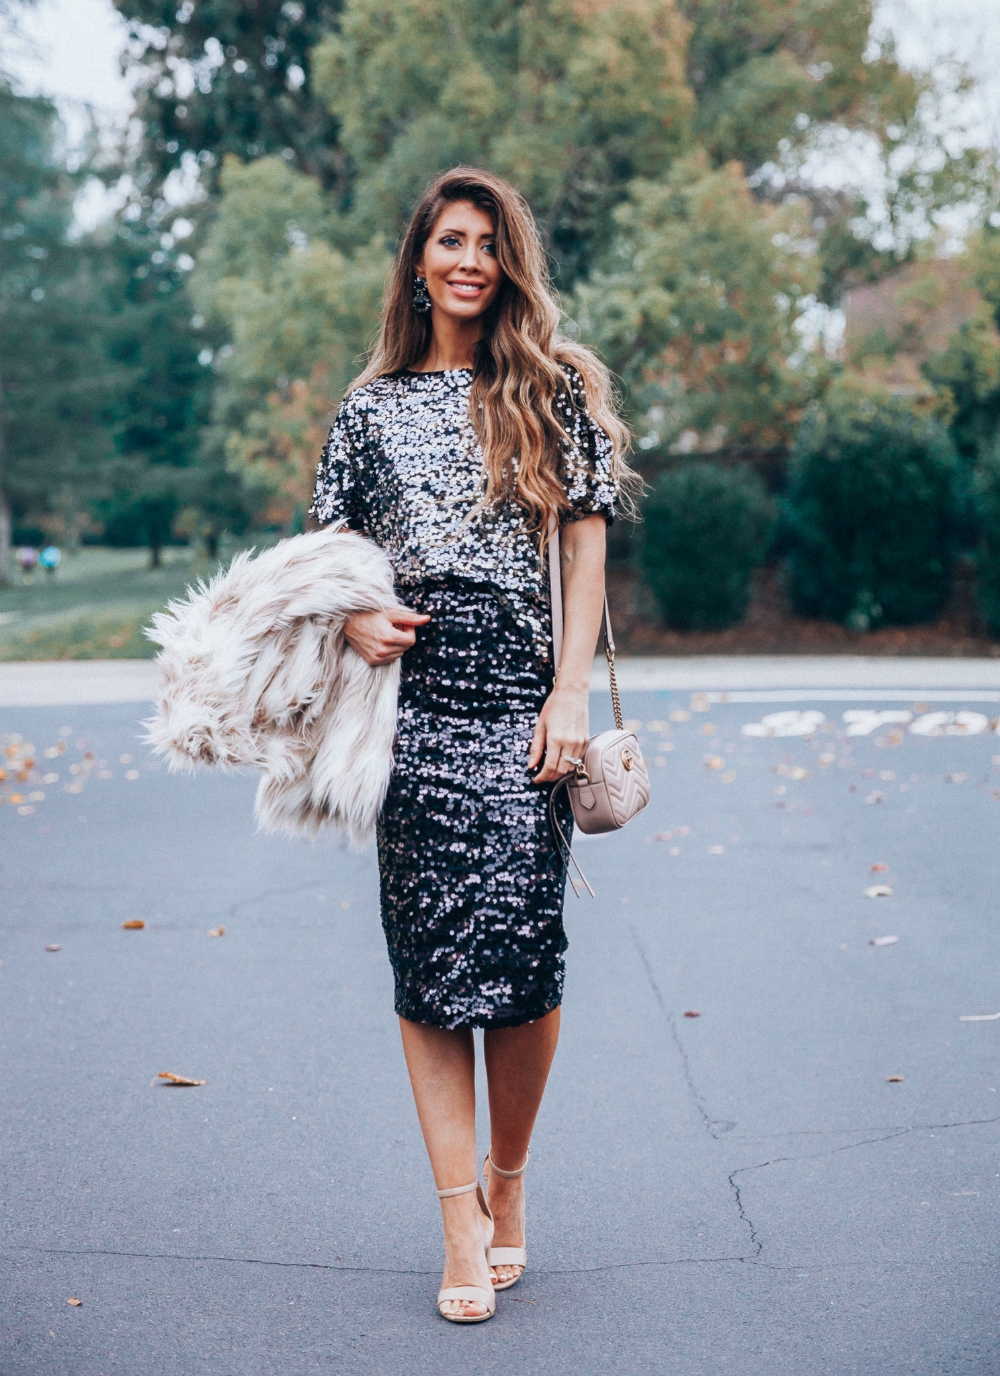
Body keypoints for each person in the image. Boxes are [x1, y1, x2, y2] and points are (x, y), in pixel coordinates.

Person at [310, 167, 634, 1323]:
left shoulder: (549, 388)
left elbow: (585, 545)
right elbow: (329, 559)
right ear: (419, 260)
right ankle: (458, 1217)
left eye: (488, 244)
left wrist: (566, 695)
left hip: (517, 704)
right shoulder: (367, 407)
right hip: (414, 712)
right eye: (450, 239)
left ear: (508, 266)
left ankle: (509, 1174)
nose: (468, 260)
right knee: (430, 968)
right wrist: (353, 613)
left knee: (526, 956)